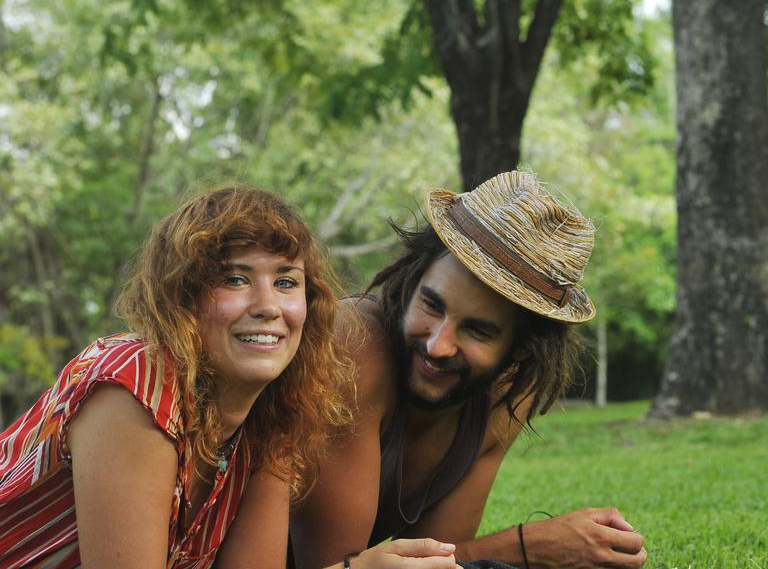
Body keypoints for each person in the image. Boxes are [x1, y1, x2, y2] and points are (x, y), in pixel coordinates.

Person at [0, 185, 458, 569]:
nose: (267, 306)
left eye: (285, 282)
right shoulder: (133, 383)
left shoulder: (272, 418)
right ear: (182, 298)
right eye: (235, 279)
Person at [287, 170, 648, 569]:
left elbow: (434, 557)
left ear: (520, 354)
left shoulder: (506, 393)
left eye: (478, 330)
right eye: (431, 305)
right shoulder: (353, 345)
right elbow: (333, 564)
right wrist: (531, 547)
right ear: (413, 279)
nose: (438, 345)